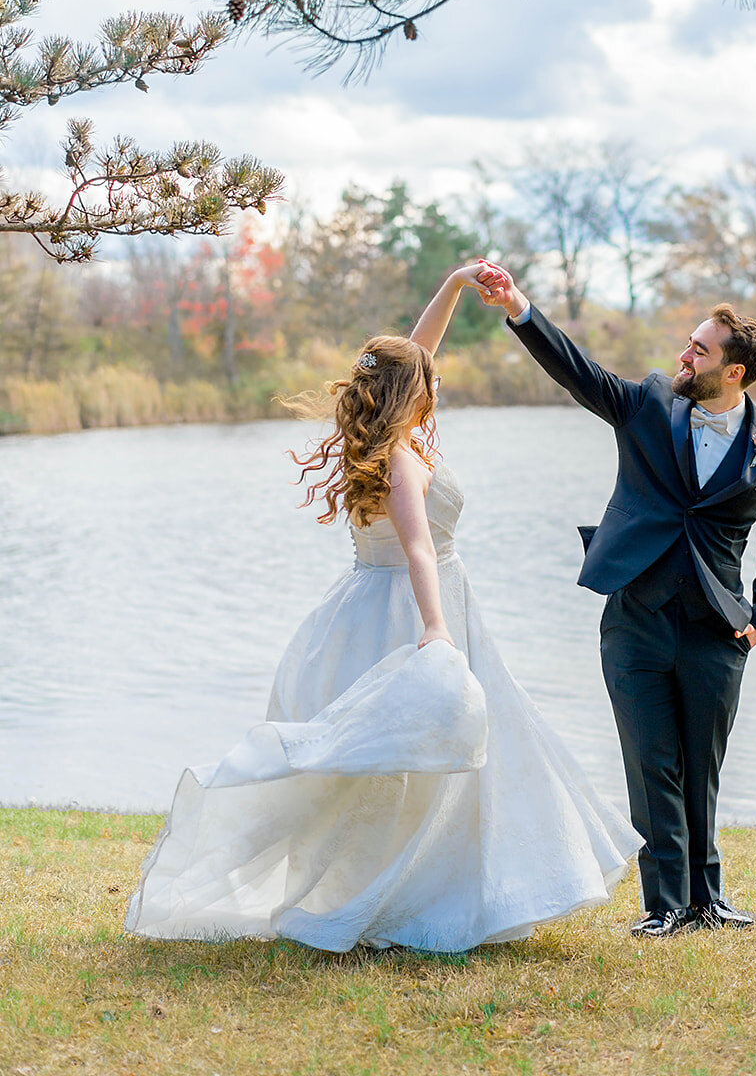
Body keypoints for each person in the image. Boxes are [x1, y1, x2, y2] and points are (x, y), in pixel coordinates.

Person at [126, 263, 640, 954]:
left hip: (365, 604)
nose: (439, 378)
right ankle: (403, 897)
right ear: (414, 392)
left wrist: (455, 284)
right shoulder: (401, 456)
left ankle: (456, 886)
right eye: (430, 376)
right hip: (413, 605)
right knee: (414, 769)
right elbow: (420, 549)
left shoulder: (378, 436)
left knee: (439, 759)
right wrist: (434, 630)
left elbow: (413, 354)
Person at [475, 263, 756, 940]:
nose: (683, 355)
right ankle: (664, 906)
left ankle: (707, 898)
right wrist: (517, 307)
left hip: (718, 629)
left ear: (734, 371)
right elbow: (579, 372)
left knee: (701, 766)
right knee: (650, 761)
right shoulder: (648, 405)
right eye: (688, 343)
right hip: (635, 620)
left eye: (700, 350)